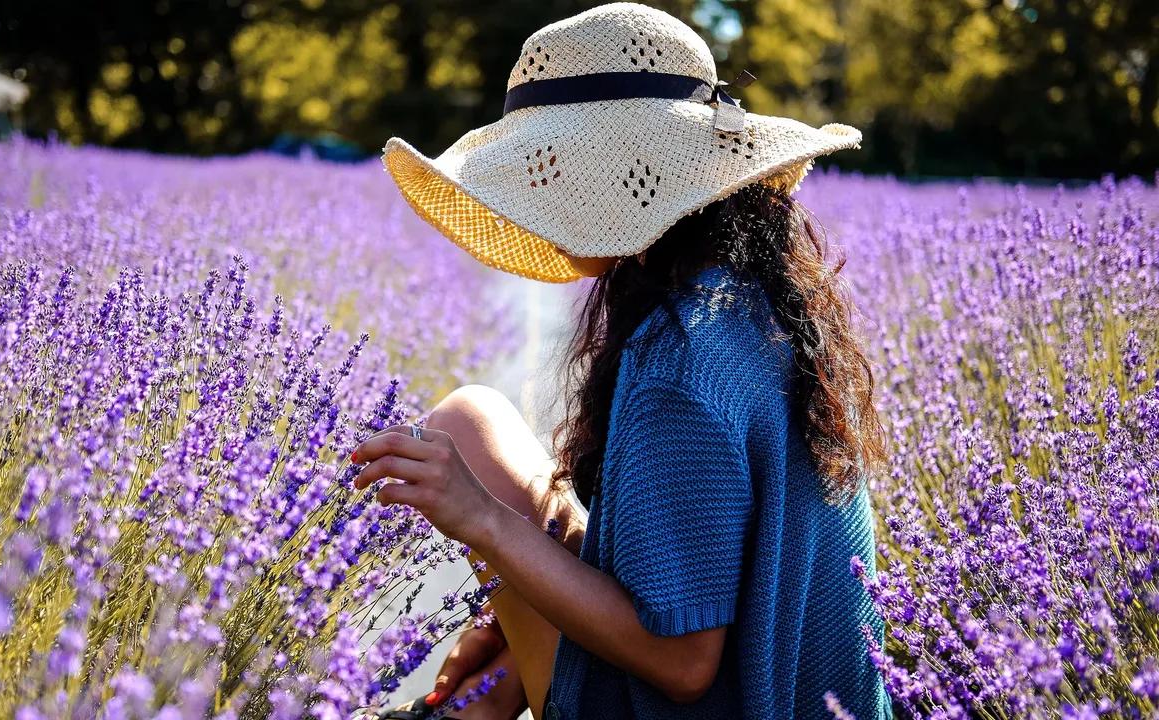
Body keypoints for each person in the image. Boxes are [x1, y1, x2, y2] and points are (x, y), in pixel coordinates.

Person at [362, 3, 892, 719]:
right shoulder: (748, 299)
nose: (535, 200)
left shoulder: (680, 361)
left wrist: (479, 518)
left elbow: (681, 664)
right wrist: (508, 625)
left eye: (548, 170)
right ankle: (484, 706)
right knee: (472, 421)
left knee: (464, 437)